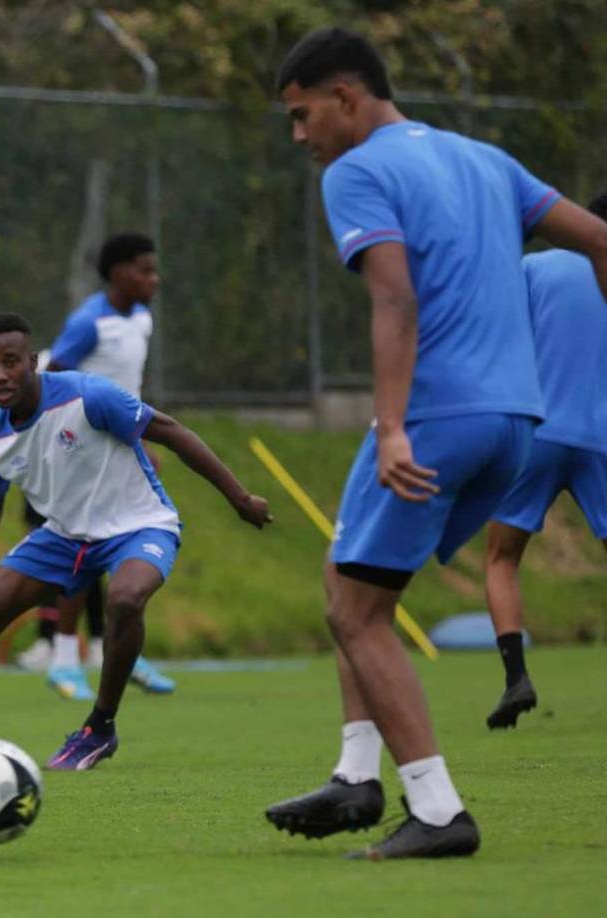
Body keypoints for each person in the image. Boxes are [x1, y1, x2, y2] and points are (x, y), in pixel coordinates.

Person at [265, 28, 607, 859]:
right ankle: (354, 774)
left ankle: (437, 807)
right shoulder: (485, 159)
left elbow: (394, 300)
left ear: (346, 97)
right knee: (348, 569)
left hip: (437, 417)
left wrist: (389, 429)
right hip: (516, 424)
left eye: (304, 116)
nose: (301, 138)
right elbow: (599, 237)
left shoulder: (358, 171)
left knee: (357, 613)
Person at [0, 313, 271, 772]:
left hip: (138, 525)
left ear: (33, 362)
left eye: (11, 361)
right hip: (63, 537)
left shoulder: (89, 394)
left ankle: (99, 728)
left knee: (125, 597)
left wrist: (239, 498)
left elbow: (171, 431)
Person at [482, 191, 607, 730]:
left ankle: (516, 678)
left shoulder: (536, 268)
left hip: (538, 432)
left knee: (501, 558)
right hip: (603, 435)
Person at [36, 232, 176, 699]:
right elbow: (53, 373)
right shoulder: (89, 323)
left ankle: (120, 650)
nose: (154, 280)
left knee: (130, 545)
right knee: (82, 546)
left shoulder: (141, 319)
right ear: (118, 273)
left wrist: (137, 436)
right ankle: (63, 659)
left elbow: (127, 386)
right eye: (145, 270)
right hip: (81, 448)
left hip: (122, 448)